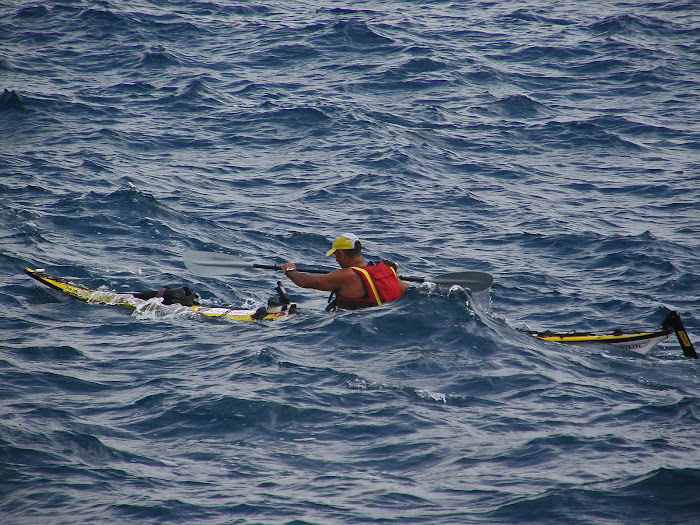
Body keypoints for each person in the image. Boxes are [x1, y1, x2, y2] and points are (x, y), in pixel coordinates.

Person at [280, 233, 409, 311]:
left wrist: (290, 271)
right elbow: (406, 291)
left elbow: (305, 282)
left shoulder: (345, 275)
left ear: (341, 255)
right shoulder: (385, 269)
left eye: (335, 256)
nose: (336, 260)